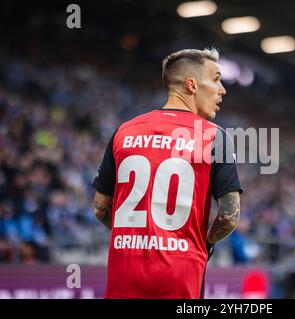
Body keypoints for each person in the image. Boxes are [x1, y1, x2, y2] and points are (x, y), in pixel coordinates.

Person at [92, 48, 243, 299]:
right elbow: (229, 217)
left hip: (124, 273)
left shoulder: (124, 131)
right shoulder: (215, 137)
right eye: (216, 79)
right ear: (192, 85)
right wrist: (202, 245)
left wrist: (137, 238)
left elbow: (100, 208)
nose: (222, 89)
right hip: (180, 275)